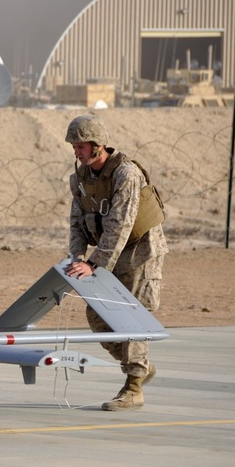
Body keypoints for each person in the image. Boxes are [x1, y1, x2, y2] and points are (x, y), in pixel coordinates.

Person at [63, 115, 168, 411]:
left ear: (98, 146)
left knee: (131, 316)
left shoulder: (126, 174)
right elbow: (76, 222)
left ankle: (133, 387)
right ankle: (140, 365)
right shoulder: (82, 177)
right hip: (108, 255)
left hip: (140, 252)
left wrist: (95, 265)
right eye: (74, 146)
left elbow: (121, 224)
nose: (76, 151)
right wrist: (76, 261)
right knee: (97, 316)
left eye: (80, 146)